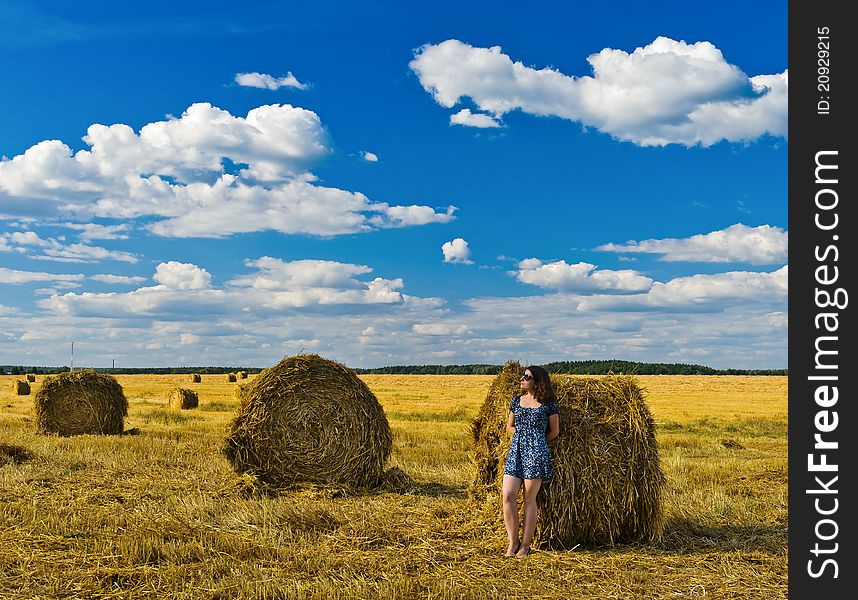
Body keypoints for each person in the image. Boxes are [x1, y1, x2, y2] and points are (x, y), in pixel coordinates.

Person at [502, 365, 560, 558]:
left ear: (538, 381)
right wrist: (519, 436)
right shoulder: (516, 401)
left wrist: (538, 442)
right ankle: (513, 542)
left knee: (529, 498)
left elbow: (555, 431)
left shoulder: (548, 403)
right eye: (522, 376)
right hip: (516, 451)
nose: (522, 379)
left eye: (526, 377)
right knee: (508, 494)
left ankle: (525, 545)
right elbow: (510, 426)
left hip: (536, 453)